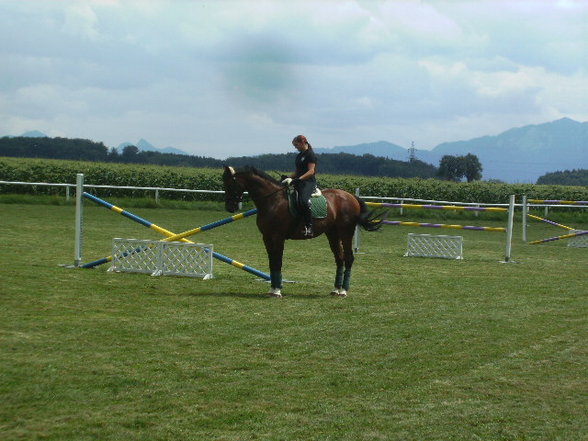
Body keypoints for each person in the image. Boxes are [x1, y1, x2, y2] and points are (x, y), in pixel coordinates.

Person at [281, 135, 317, 237]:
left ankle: (309, 227)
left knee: (303, 201)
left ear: (302, 143)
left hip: (308, 182)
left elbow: (311, 171)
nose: (295, 147)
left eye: (296, 145)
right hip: (298, 181)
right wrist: (288, 177)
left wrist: (299, 179)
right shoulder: (300, 155)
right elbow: (298, 171)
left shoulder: (310, 155)